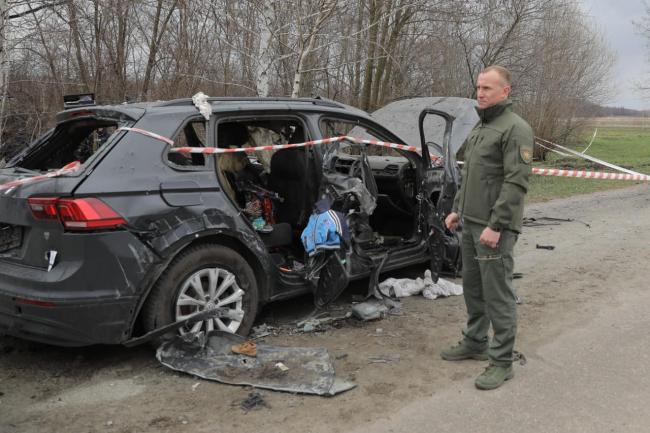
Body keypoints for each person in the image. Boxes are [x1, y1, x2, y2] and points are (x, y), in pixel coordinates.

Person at [442, 65, 534, 390]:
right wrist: (457, 210)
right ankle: (475, 341)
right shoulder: (482, 127)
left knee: (498, 294)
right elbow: (473, 176)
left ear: (505, 91)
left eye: (487, 89)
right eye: (478, 88)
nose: (480, 93)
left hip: (494, 228)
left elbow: (515, 182)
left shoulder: (515, 129)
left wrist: (496, 225)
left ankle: (502, 361)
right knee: (473, 288)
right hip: (471, 224)